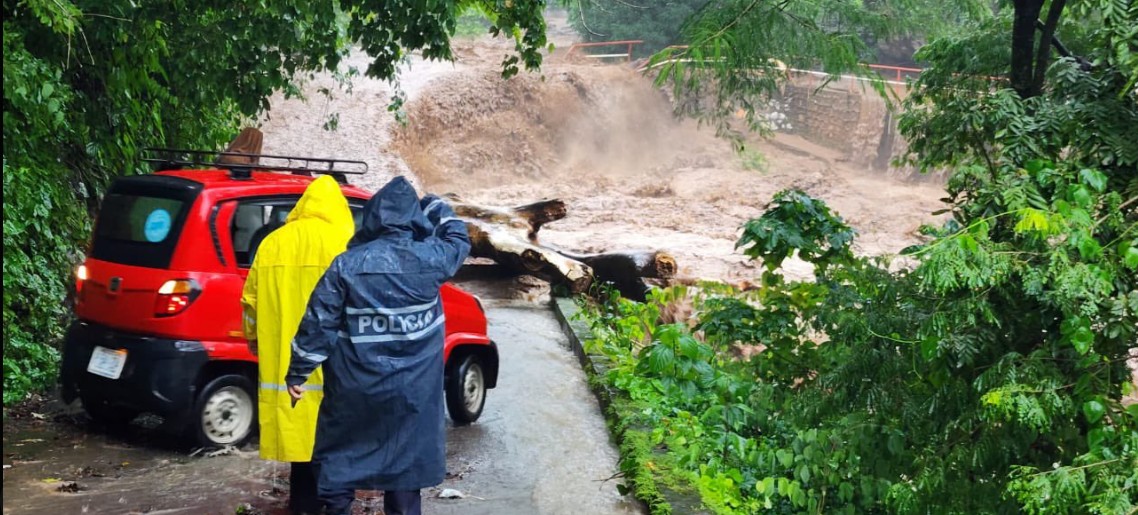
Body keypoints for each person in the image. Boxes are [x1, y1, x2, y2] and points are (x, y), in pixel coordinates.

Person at [284, 176, 471, 515]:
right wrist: (435, 204)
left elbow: (318, 322)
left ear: (371, 218)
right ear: (413, 219)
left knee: (341, 457)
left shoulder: (346, 265)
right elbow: (458, 236)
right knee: (405, 466)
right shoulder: (433, 260)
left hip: (355, 389)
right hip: (412, 394)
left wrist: (298, 371)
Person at [240, 175, 355, 515]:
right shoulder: (344, 243)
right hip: (335, 372)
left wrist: (254, 341)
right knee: (334, 451)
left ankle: (303, 508)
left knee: (300, 454)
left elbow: (250, 304)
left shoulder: (272, 243)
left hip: (288, 372)